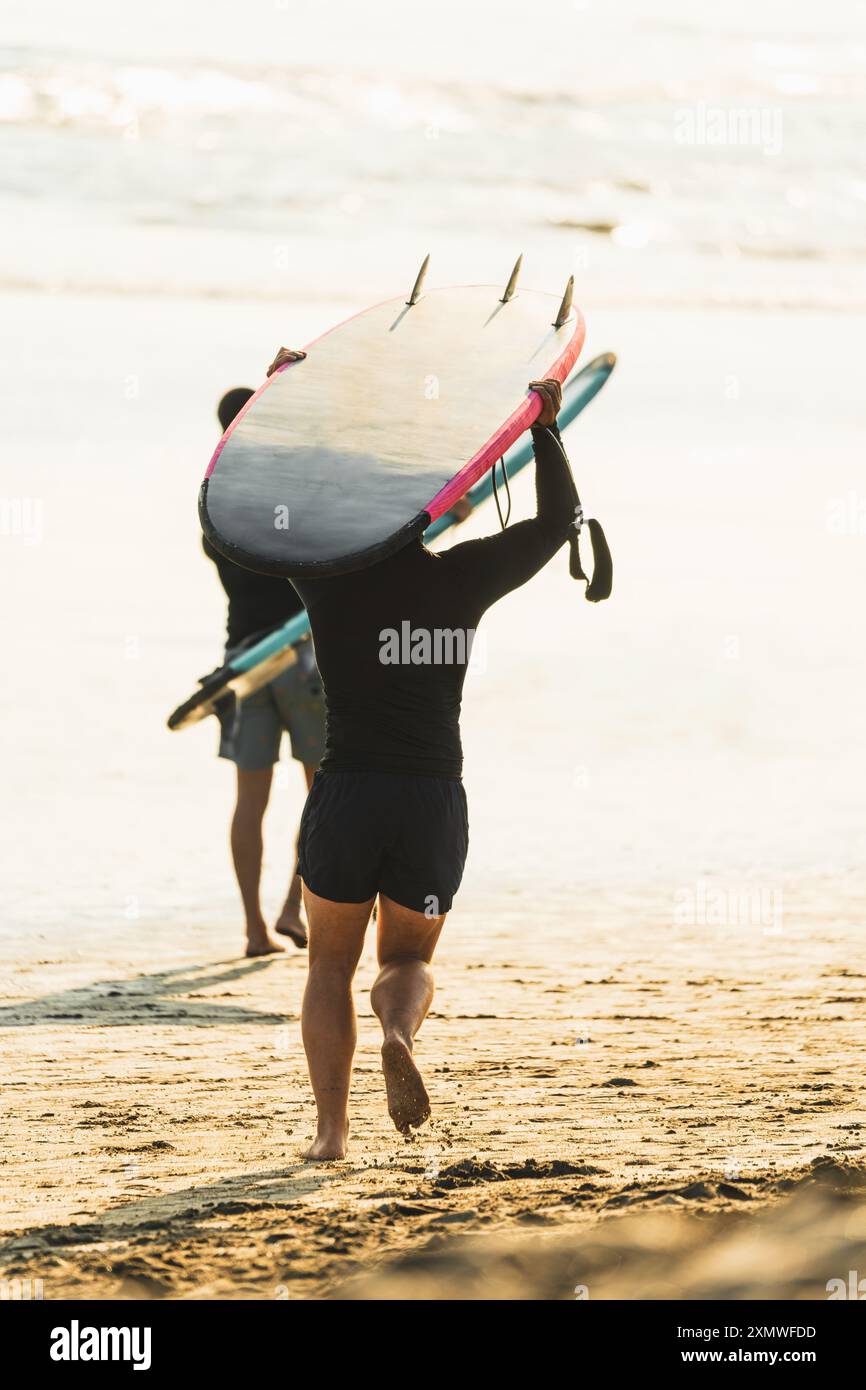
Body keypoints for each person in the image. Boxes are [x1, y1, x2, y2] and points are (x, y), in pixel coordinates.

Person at [262, 348, 578, 1161]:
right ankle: (397, 1031)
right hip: (432, 795)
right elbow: (553, 525)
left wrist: (282, 398)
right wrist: (545, 427)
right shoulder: (462, 580)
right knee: (404, 957)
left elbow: (263, 506)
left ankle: (330, 1136)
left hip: (348, 791)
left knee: (328, 966)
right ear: (430, 514)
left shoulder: (328, 581)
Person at [204, 372, 325, 958]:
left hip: (244, 661)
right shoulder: (287, 493)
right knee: (321, 792)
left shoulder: (213, 501)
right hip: (300, 655)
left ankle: (255, 931)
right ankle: (294, 906)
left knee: (249, 800)